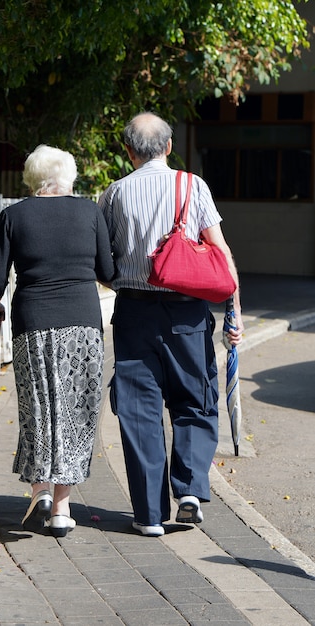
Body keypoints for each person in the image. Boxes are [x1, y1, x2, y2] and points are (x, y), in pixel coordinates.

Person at [98, 112, 243, 537]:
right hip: (188, 314)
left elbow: (103, 264)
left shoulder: (113, 194)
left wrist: (125, 278)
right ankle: (192, 491)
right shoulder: (192, 185)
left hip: (134, 314)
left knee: (138, 409)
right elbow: (220, 254)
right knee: (195, 400)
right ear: (168, 145)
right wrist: (235, 313)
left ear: (127, 150)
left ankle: (147, 515)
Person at [0, 144, 114, 537]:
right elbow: (108, 271)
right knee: (77, 414)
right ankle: (61, 508)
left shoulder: (13, 215)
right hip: (82, 325)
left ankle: (39, 488)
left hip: (33, 323)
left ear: (32, 179)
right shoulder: (90, 212)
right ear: (69, 176)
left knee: (39, 408)